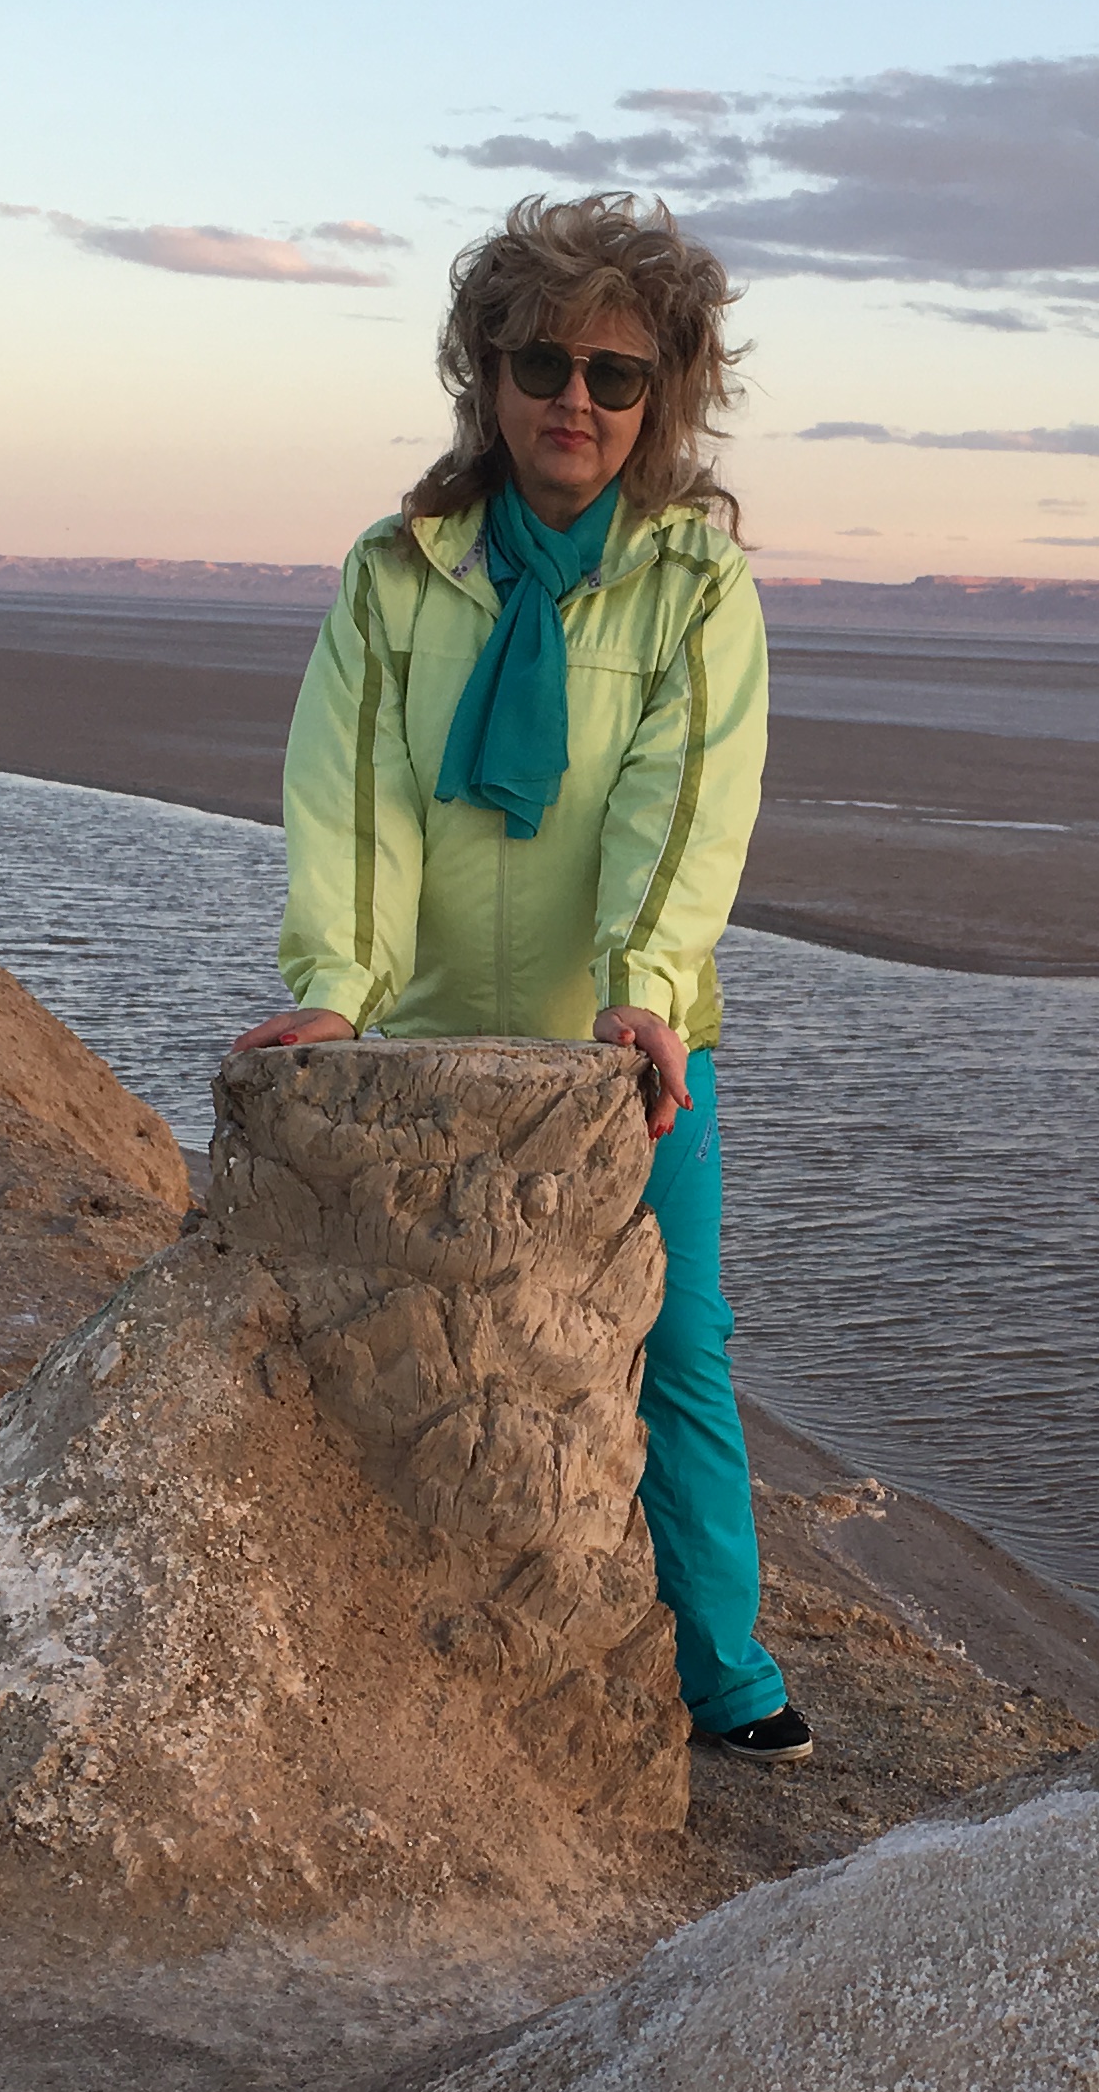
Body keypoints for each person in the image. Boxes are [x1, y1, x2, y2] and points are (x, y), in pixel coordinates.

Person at [232, 193, 812, 1765]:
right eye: (542, 362)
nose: (576, 399)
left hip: (634, 1052)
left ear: (660, 398)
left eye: (617, 375)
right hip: (425, 1046)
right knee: (410, 1344)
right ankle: (396, 1634)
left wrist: (643, 991)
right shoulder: (397, 575)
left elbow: (681, 803)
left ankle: (723, 1669)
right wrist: (340, 988)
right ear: (485, 374)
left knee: (675, 1347)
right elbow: (354, 795)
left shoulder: (694, 586)